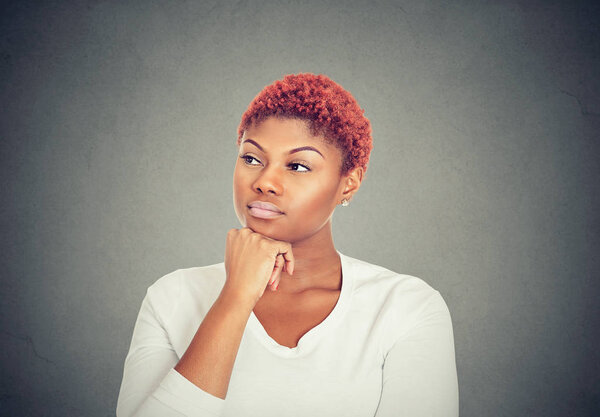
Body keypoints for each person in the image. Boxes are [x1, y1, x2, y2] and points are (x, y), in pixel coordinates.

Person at [116, 73, 459, 417]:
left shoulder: (406, 308)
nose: (265, 181)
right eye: (251, 158)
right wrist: (234, 299)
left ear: (348, 184)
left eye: (297, 165)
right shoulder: (171, 298)